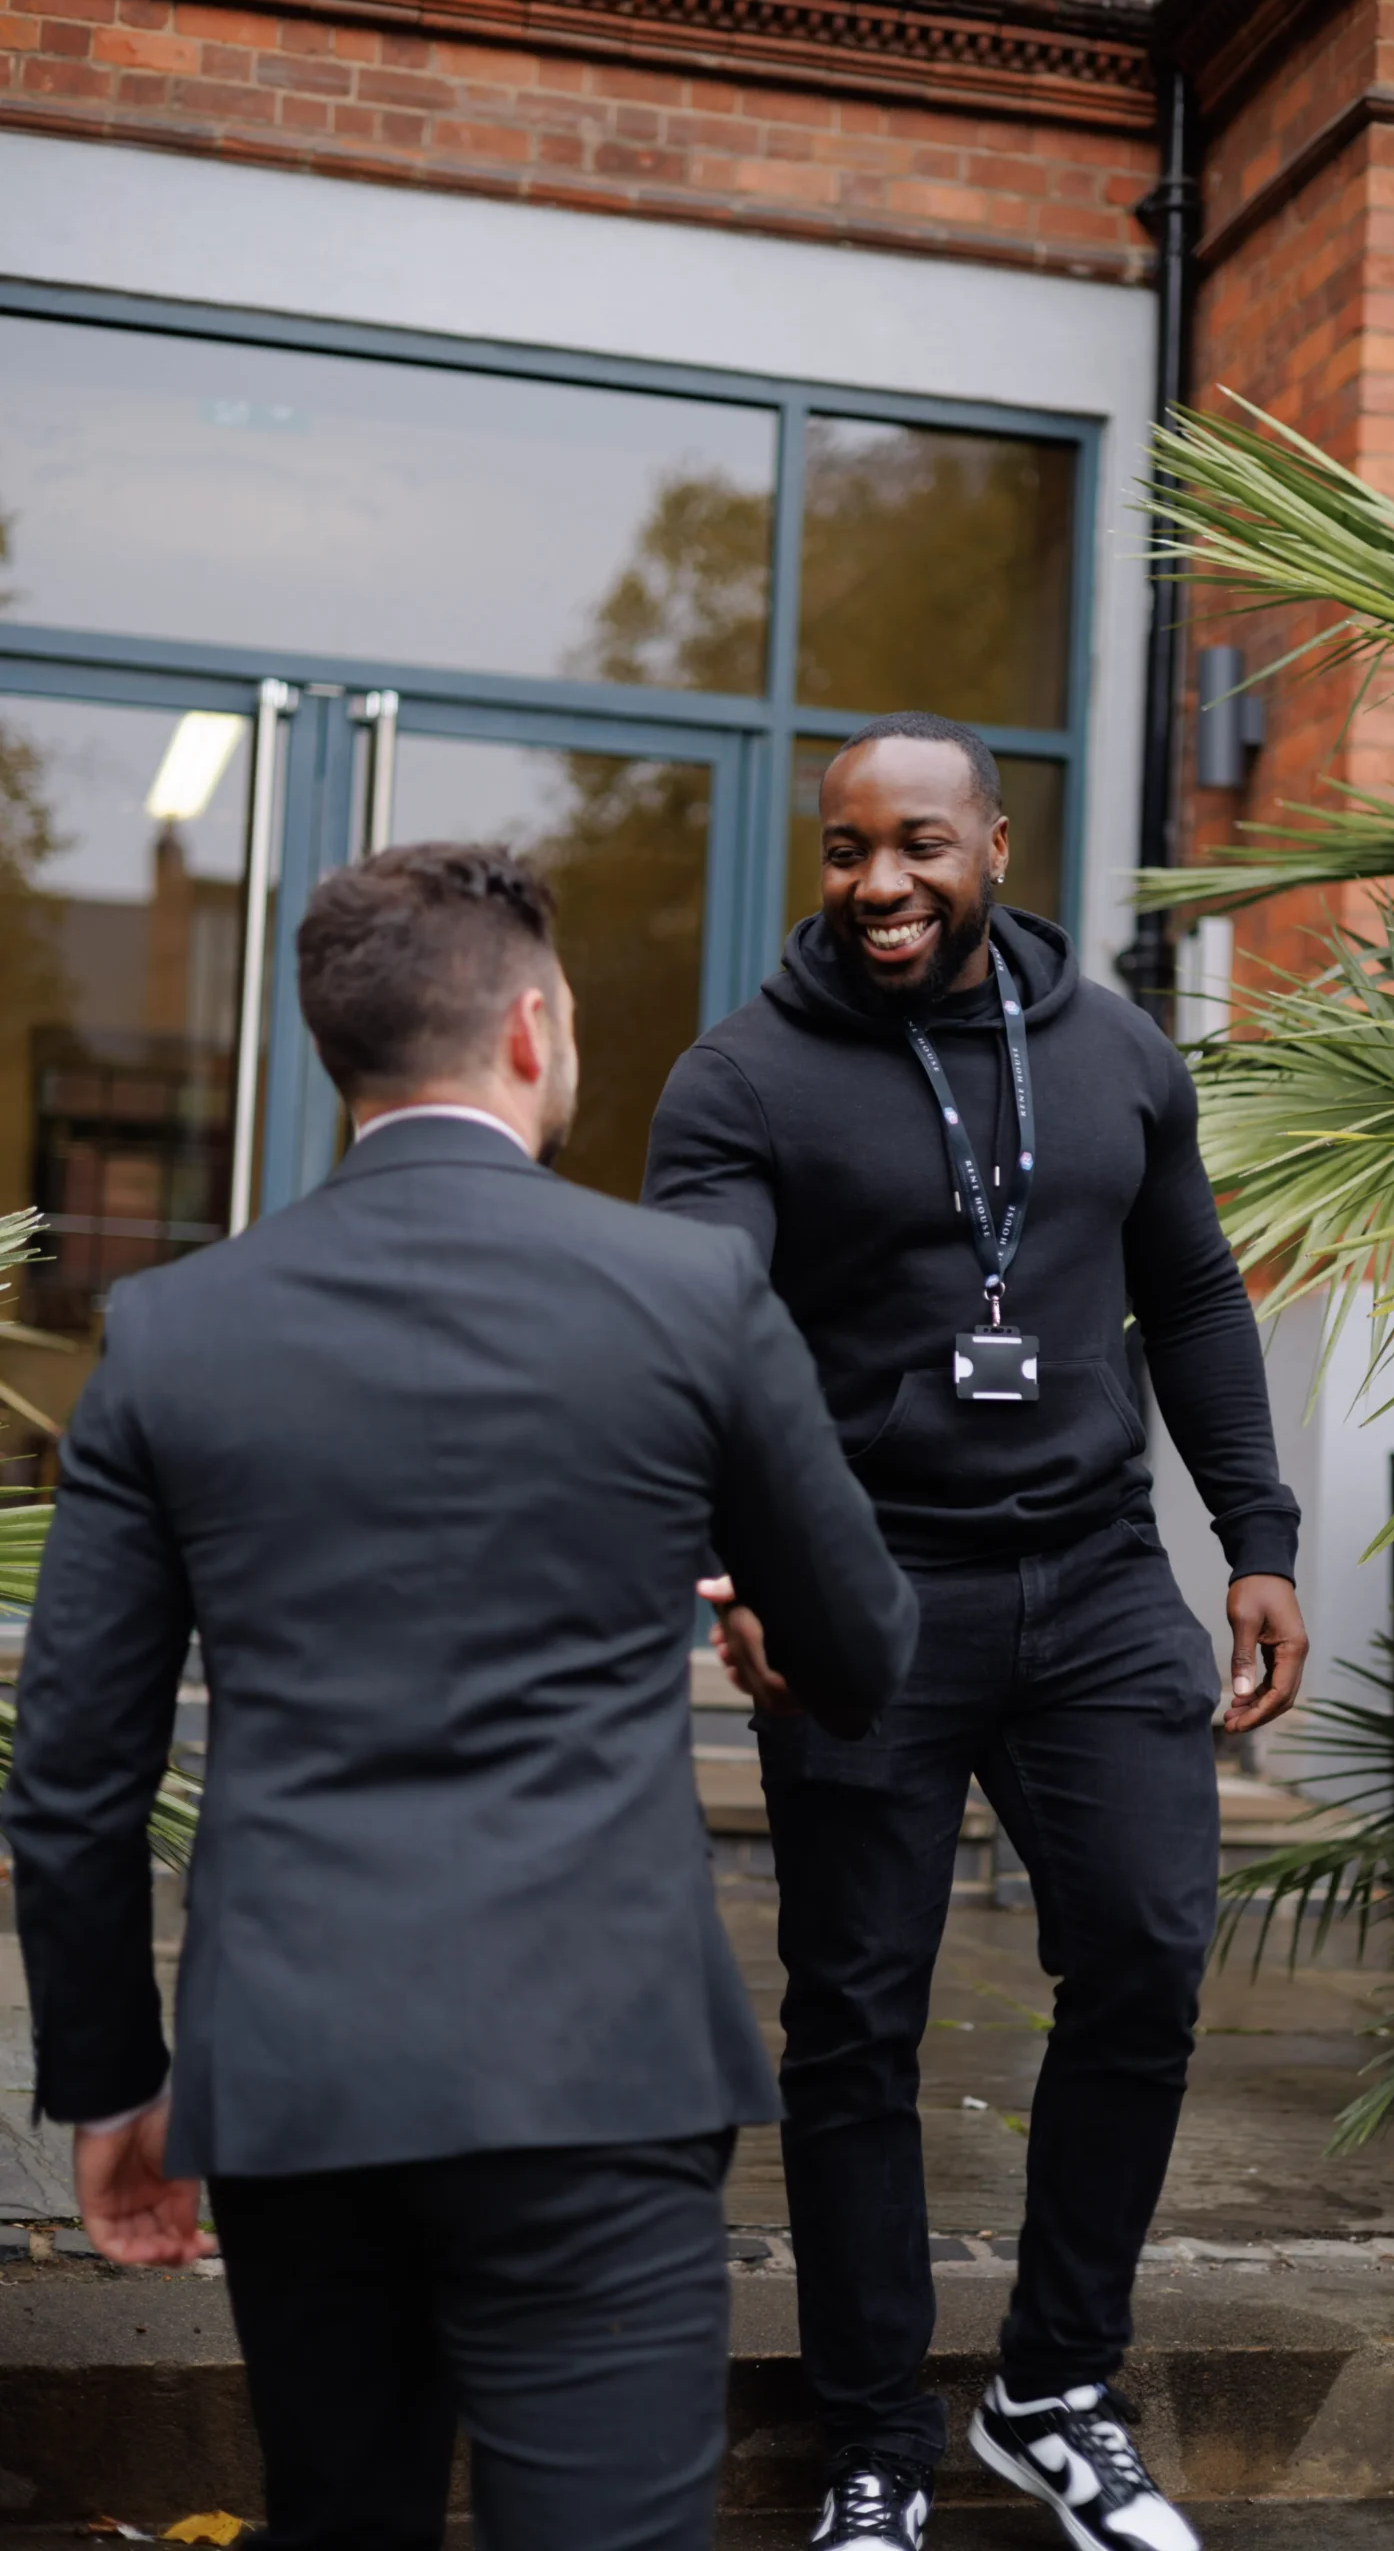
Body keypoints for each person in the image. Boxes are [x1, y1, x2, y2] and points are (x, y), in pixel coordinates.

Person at [5, 843, 917, 2551]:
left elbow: (72, 1774)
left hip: (296, 2076)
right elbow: (865, 1647)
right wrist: (776, 1652)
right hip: (601, 2068)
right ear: (527, 1031)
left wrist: (115, 2085)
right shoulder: (689, 1292)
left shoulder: (174, 1333)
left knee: (341, 2520)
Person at [643, 713, 1308, 2551]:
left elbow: (1191, 1294)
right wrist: (744, 1563)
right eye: (850, 851)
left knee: (1153, 1958)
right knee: (854, 2020)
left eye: (918, 847)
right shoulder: (743, 1079)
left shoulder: (1115, 1053)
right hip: (866, 1592)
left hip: (1095, 1575)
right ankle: (874, 2440)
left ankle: (1052, 2390)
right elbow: (702, 1349)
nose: (881, 887)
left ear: (995, 848)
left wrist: (1253, 1535)